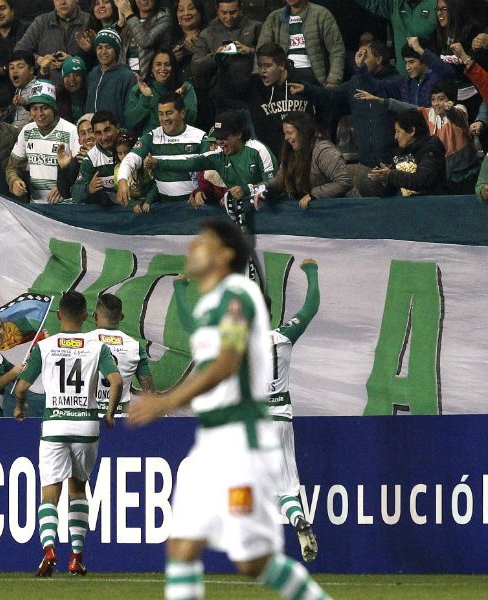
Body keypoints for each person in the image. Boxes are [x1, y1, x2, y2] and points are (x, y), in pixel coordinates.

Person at [130, 218, 331, 600]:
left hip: (243, 447)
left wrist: (166, 401)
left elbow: (225, 362)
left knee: (251, 560)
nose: (192, 247)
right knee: (184, 548)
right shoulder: (215, 308)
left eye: (202, 242)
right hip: (216, 442)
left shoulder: (238, 298)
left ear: (224, 256)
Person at [13, 290, 123, 577]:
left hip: (55, 426)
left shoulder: (45, 346)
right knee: (78, 489)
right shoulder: (96, 346)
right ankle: (76, 557)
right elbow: (116, 381)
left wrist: (20, 407)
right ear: (86, 316)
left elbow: (21, 387)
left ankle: (49, 549)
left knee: (50, 491)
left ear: (59, 314)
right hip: (86, 425)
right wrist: (109, 413)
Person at [265, 257, 320, 562]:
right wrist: (311, 272)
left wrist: (181, 290)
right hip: (280, 417)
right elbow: (310, 307)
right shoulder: (283, 337)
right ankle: (297, 518)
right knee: (286, 484)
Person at [295, 40, 401, 175]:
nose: (360, 59)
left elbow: (373, 87)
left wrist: (361, 71)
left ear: (379, 59)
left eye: (365, 55)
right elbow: (330, 96)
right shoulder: (354, 84)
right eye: (359, 54)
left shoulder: (396, 82)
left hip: (394, 164)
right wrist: (306, 89)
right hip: (366, 165)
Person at [138, 110, 277, 208]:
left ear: (239, 134)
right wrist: (158, 163)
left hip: (267, 212)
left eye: (224, 137)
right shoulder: (217, 156)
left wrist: (247, 190)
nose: (219, 142)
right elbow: (188, 163)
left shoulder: (258, 150)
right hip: (237, 213)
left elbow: (274, 183)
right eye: (217, 138)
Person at [364, 79, 480, 195]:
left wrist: (449, 109)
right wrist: (380, 100)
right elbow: (408, 108)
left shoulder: (460, 109)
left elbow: (456, 115)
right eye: (433, 99)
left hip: (466, 175)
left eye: (441, 99)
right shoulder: (429, 113)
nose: (436, 104)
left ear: (451, 100)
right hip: (446, 177)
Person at [117, 92, 206, 204]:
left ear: (182, 113)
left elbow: (209, 171)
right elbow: (131, 159)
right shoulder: (151, 137)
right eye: (161, 114)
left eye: (169, 113)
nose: (165, 118)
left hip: (196, 205)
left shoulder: (200, 137)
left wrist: (200, 190)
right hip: (165, 207)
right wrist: (122, 180)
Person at [238, 42, 318, 158]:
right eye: (260, 66)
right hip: (272, 157)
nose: (262, 71)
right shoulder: (254, 85)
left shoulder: (304, 79)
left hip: (305, 155)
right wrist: (224, 67)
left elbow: (325, 103)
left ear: (281, 65)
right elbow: (230, 90)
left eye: (268, 65)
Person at [7, 81, 79, 204]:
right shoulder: (27, 131)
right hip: (37, 208)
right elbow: (12, 167)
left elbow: (83, 170)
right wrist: (13, 181)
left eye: (44, 108)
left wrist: (64, 185)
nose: (39, 114)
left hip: (67, 207)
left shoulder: (71, 130)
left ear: (54, 108)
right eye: (34, 109)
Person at [261, 111, 350, 208]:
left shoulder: (323, 150)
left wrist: (314, 194)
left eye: (289, 133)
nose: (286, 138)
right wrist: (263, 188)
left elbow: (344, 182)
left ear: (303, 131)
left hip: (344, 208)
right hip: (319, 211)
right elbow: (280, 179)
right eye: (285, 133)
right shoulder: (291, 152)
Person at [191, 0, 261, 114]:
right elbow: (195, 67)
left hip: (251, 93)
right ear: (217, 11)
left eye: (233, 12)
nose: (228, 17)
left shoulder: (255, 27)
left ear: (240, 9)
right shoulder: (207, 34)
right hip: (220, 98)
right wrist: (215, 56)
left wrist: (250, 51)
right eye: (224, 13)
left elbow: (269, 55)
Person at [90, 293, 154, 416]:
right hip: (119, 421)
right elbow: (149, 393)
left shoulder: (84, 342)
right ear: (121, 317)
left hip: (86, 419)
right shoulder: (135, 346)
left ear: (95, 316)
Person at [256, 0, 344, 88]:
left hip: (313, 78)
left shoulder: (322, 14)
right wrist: (257, 80)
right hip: (283, 77)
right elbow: (261, 53)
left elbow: (336, 50)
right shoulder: (274, 18)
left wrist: (333, 81)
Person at [365, 108, 447, 196]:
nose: (395, 137)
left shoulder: (432, 148)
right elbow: (397, 183)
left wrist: (390, 175)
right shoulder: (404, 150)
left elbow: (422, 180)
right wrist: (383, 180)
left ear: (412, 131)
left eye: (398, 131)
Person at [352, 0, 437, 77]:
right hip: (402, 76)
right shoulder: (394, 4)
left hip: (431, 76)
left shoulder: (436, 4)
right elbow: (369, 2)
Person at [14, 0, 91, 84]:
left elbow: (101, 57)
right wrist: (39, 60)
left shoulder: (90, 21)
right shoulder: (41, 22)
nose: (62, 2)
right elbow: (19, 50)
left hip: (83, 87)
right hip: (49, 88)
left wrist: (72, 61)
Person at [125, 48, 196, 135]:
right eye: (158, 64)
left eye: (167, 64)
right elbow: (130, 122)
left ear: (173, 67)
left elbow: (191, 119)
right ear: (152, 68)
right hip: (149, 144)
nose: (163, 68)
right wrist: (146, 99)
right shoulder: (139, 90)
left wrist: (177, 100)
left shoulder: (185, 88)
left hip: (179, 141)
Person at [353, 39, 439, 108]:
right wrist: (360, 67)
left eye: (411, 62)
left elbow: (448, 71)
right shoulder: (404, 83)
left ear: (424, 60)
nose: (407, 67)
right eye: (406, 63)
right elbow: (374, 87)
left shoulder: (438, 80)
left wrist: (420, 51)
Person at [85, 29, 134, 127]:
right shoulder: (92, 74)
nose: (103, 52)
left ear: (116, 50)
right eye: (99, 47)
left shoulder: (127, 76)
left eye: (108, 47)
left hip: (116, 134)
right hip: (94, 134)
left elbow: (130, 112)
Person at [116, 0, 173, 80]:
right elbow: (111, 47)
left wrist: (128, 13)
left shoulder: (164, 18)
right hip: (126, 80)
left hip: (149, 81)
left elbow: (145, 42)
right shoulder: (131, 19)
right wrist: (120, 24)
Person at [72, 111, 120, 205]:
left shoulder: (133, 146)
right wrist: (89, 188)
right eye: (98, 133)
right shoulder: (91, 159)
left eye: (107, 130)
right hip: (107, 211)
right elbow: (75, 193)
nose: (104, 137)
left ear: (117, 128)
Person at [7, 50, 38, 128]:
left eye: (20, 67)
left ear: (31, 70)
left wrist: (24, 102)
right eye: (11, 68)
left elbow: (35, 101)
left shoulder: (38, 86)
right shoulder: (18, 89)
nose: (14, 71)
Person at [57, 56, 88, 123]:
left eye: (77, 75)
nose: (72, 79)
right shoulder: (57, 95)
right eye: (68, 76)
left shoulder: (92, 95)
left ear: (83, 78)